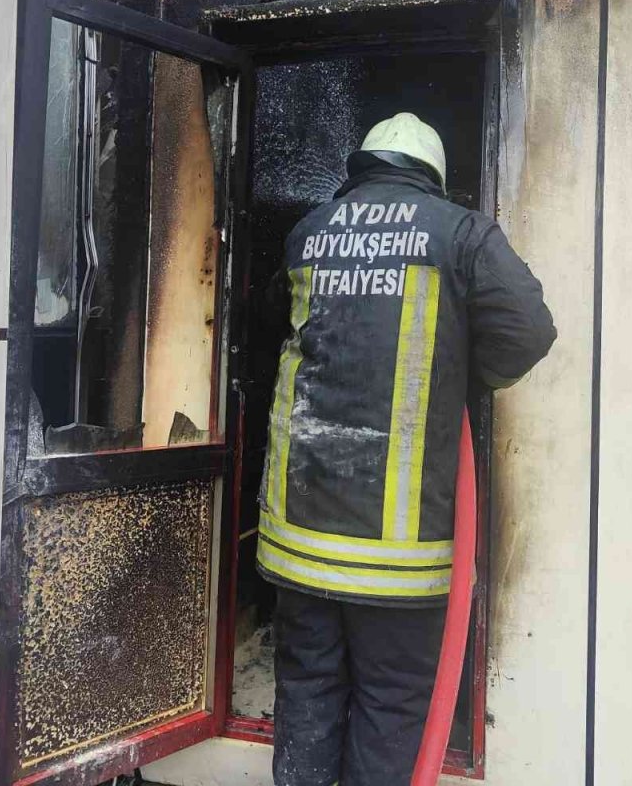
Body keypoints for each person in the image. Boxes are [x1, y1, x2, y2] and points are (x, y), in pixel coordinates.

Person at [258, 112, 556, 786]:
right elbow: (528, 332)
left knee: (306, 688)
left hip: (295, 536)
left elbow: (280, 333)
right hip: (398, 554)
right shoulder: (461, 234)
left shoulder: (308, 234)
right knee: (390, 703)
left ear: (361, 170)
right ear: (432, 179)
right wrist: (473, 374)